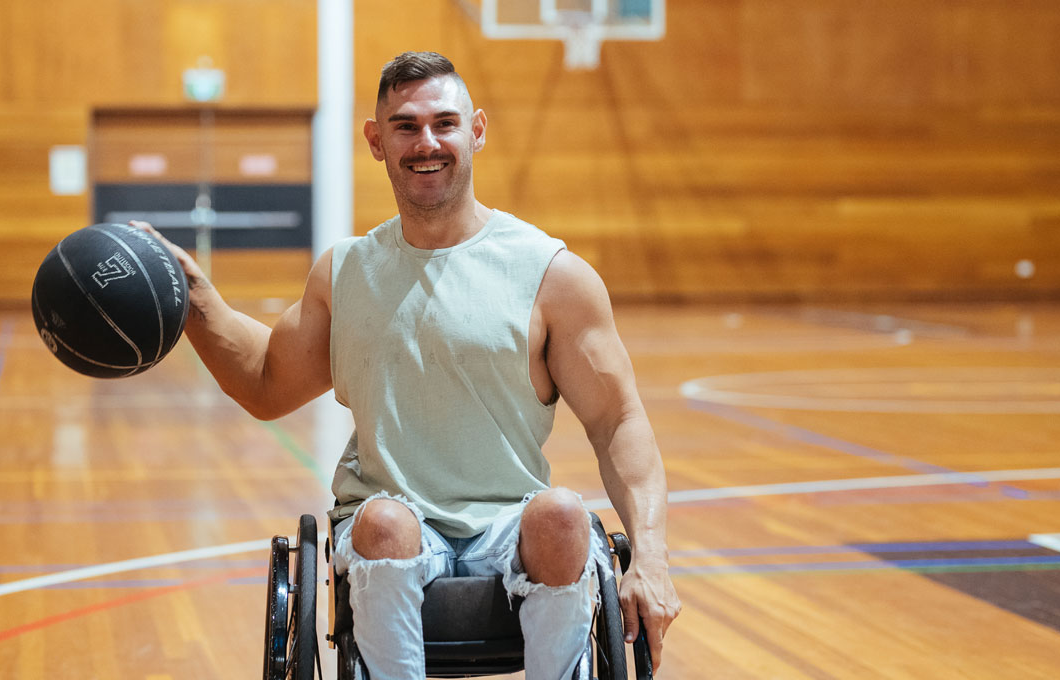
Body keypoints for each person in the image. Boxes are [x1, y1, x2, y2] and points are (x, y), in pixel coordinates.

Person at [135, 51, 679, 680]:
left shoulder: (551, 274)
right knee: (387, 522)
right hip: (389, 525)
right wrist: (197, 301)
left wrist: (653, 560)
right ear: (376, 140)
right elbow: (265, 382)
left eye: (445, 123)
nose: (428, 142)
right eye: (406, 125)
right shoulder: (345, 274)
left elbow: (618, 421)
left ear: (476, 130)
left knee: (560, 513)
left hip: (509, 526)